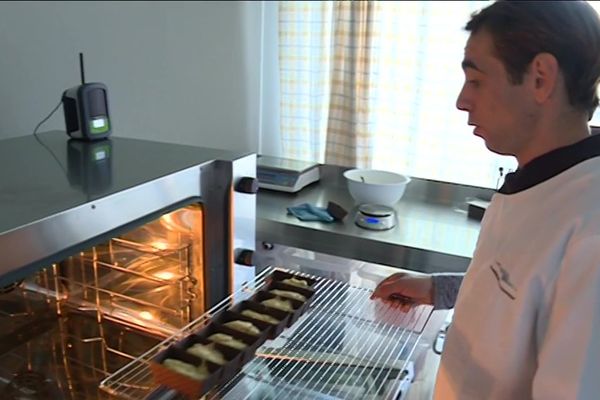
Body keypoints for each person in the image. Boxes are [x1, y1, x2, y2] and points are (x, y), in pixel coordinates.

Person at [371, 1, 600, 399]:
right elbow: (525, 291)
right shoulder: (539, 177)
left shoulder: (590, 225)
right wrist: (439, 289)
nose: (462, 100)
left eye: (476, 80)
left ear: (541, 78)